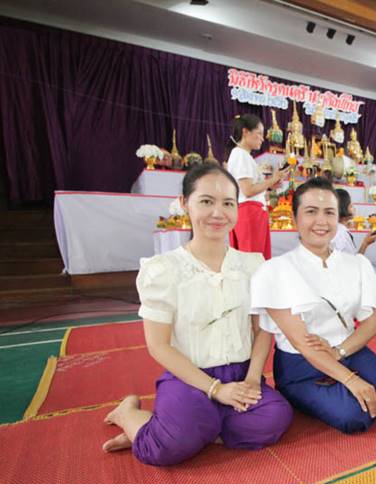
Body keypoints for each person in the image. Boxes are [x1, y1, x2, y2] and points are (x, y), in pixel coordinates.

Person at [102, 164, 293, 464]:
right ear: (184, 203)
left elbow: (261, 330)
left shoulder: (253, 265)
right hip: (189, 377)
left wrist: (253, 378)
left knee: (274, 417)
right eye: (206, 201)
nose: (218, 213)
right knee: (169, 446)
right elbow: (158, 345)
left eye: (228, 203)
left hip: (240, 373)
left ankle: (184, 430)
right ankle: (129, 414)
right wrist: (215, 389)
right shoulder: (164, 270)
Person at [250, 177, 376, 433]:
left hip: (349, 350)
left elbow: (370, 323)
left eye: (329, 212)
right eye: (311, 212)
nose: (321, 221)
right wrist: (350, 379)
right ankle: (319, 390)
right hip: (302, 365)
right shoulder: (275, 270)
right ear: (295, 218)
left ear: (338, 218)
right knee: (355, 416)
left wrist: (339, 352)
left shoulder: (356, 264)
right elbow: (303, 343)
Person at [226, 114, 291, 259]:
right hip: (249, 214)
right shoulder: (240, 154)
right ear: (245, 132)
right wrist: (272, 179)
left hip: (253, 212)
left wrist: (270, 186)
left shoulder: (245, 156)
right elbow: (248, 191)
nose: (262, 138)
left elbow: (250, 191)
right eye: (259, 134)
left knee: (257, 260)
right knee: (252, 260)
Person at [331, 188, 376, 255]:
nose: (354, 209)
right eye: (351, 206)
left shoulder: (340, 230)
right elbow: (351, 261)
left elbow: (354, 259)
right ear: (343, 208)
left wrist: (365, 243)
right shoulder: (340, 235)